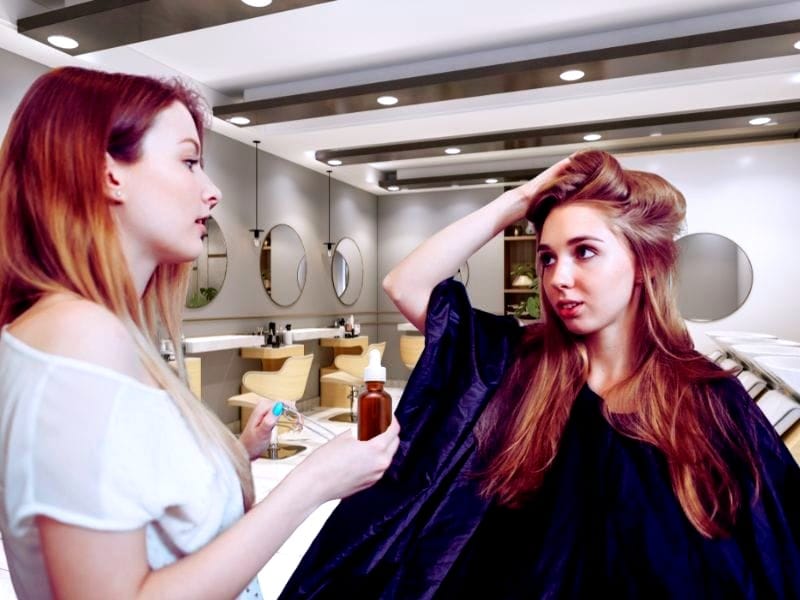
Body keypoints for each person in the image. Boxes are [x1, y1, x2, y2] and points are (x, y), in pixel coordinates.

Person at [280, 150, 800, 598]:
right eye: (548, 259)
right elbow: (405, 284)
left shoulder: (706, 397)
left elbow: (769, 549)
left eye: (585, 252)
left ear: (643, 265)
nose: (559, 278)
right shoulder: (516, 362)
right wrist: (520, 199)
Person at [0, 66, 399, 600]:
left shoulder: (89, 330)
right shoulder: (81, 334)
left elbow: (136, 498)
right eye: (189, 162)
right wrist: (313, 483)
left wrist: (235, 451)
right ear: (109, 173)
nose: (212, 192)